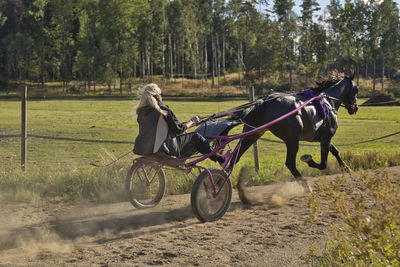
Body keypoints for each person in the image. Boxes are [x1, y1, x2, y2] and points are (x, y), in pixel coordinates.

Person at [133, 83, 226, 165]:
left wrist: (187, 125)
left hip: (144, 149)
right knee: (196, 137)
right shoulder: (163, 110)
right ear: (157, 96)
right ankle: (221, 159)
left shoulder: (141, 112)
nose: (162, 97)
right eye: (161, 94)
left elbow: (164, 128)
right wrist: (192, 121)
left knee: (186, 137)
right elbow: (179, 129)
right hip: (165, 148)